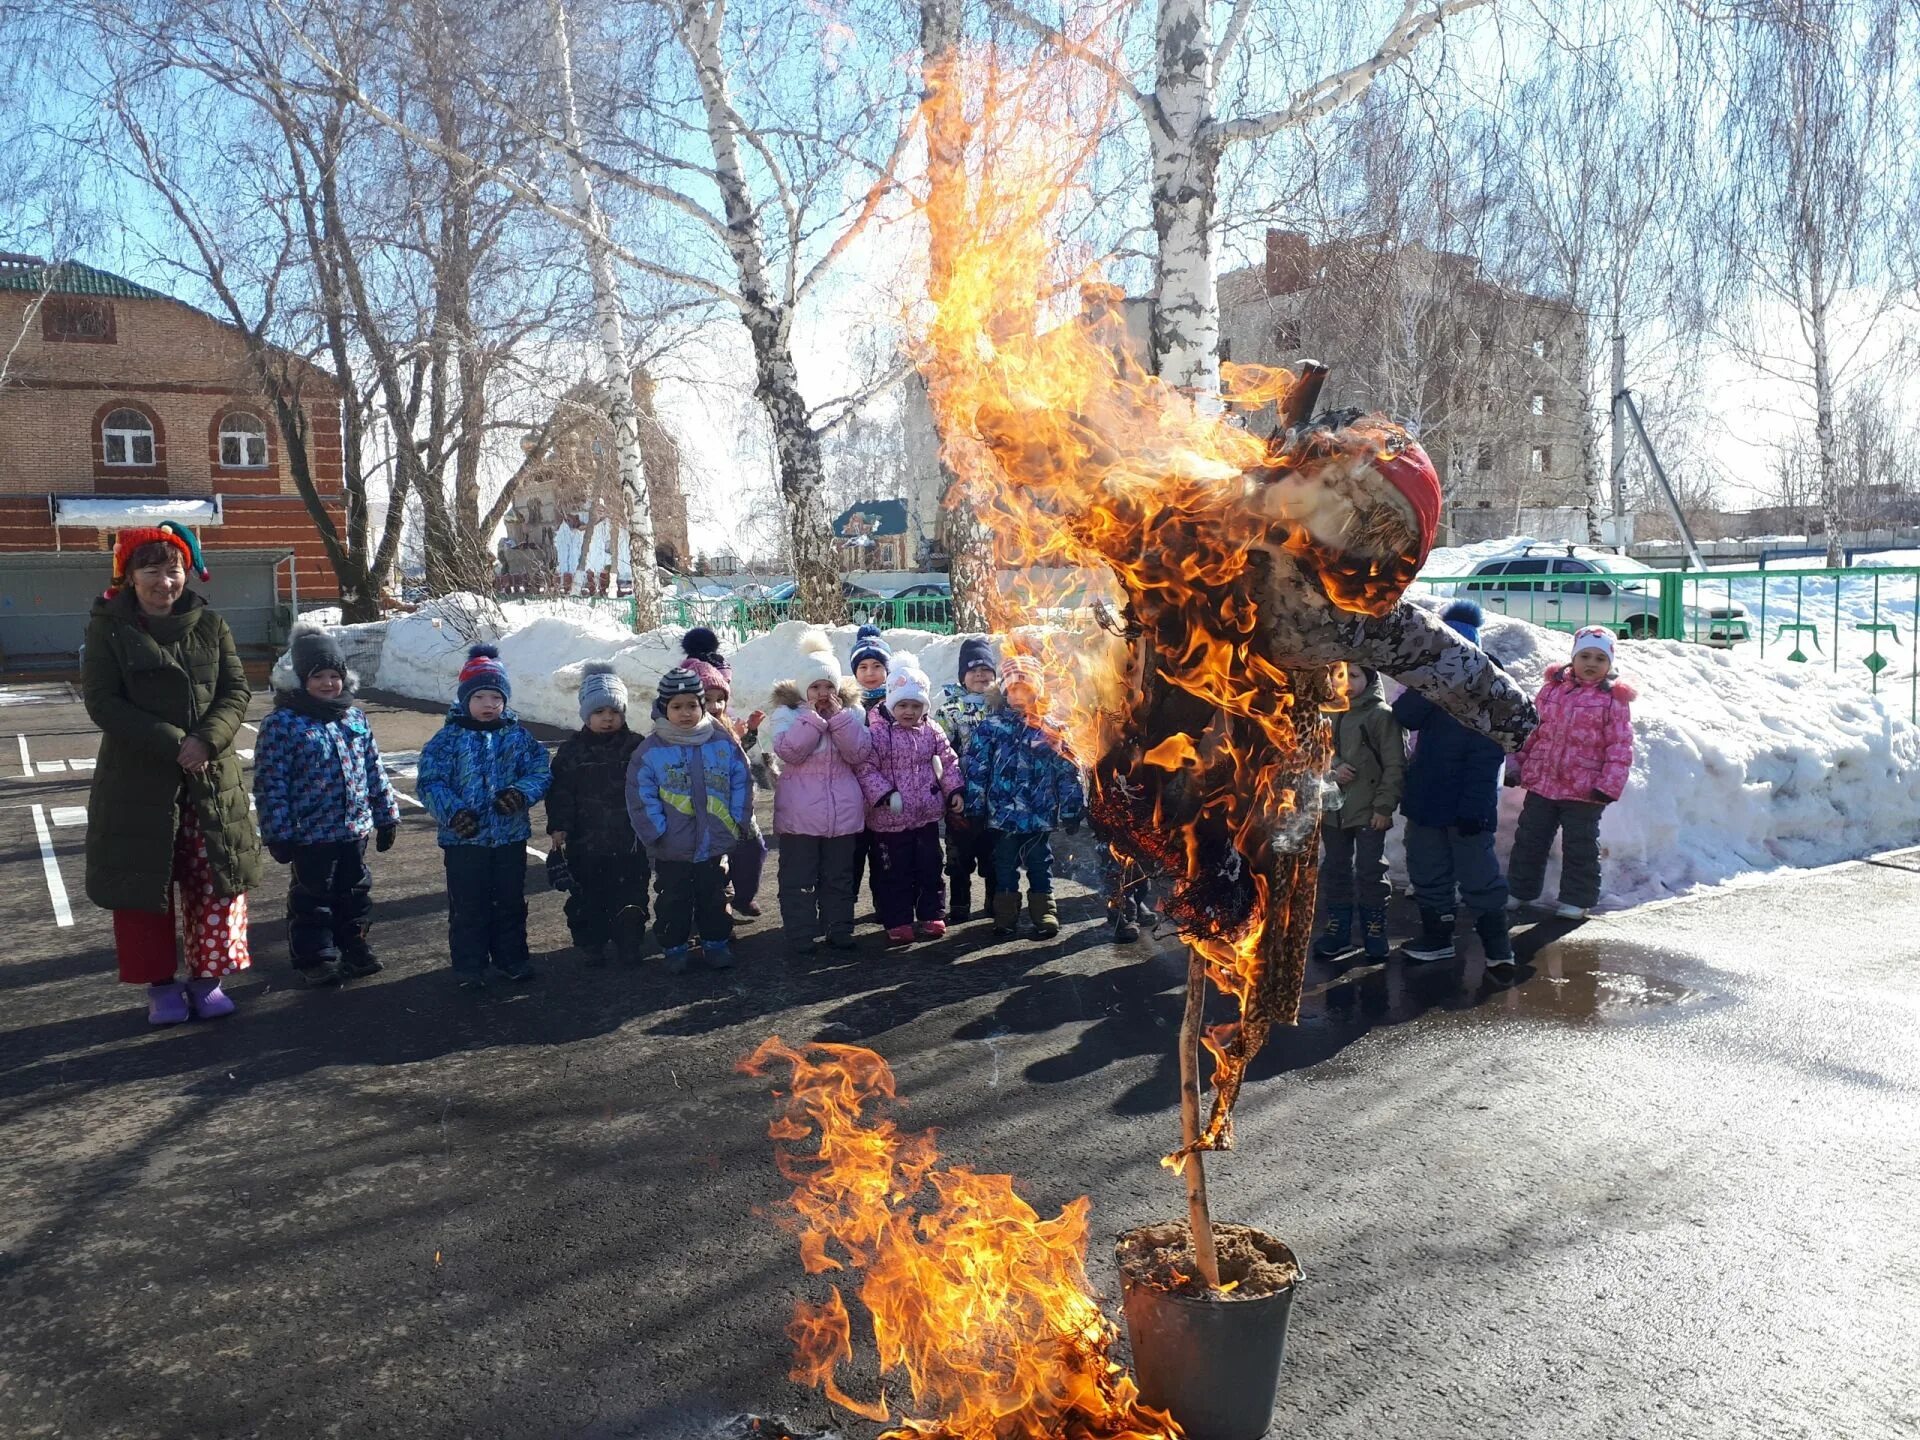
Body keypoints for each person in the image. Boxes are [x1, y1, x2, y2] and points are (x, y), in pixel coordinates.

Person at [81, 522, 262, 1025]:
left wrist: (205, 739)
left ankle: (208, 981)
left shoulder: (211, 625)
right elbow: (101, 701)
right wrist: (172, 741)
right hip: (138, 781)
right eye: (152, 570)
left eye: (174, 569)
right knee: (145, 885)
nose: (165, 581)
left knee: (214, 880)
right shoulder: (108, 627)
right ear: (129, 576)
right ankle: (159, 985)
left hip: (209, 776)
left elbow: (236, 691)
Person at [253, 628, 401, 987]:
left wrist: (386, 815)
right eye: (318, 676)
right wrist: (278, 832)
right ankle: (316, 955)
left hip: (353, 827)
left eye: (334, 675)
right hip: (310, 831)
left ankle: (354, 945)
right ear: (300, 679)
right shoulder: (283, 724)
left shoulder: (353, 718)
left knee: (354, 891)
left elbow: (373, 769)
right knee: (313, 895)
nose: (328, 683)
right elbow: (271, 782)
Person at [1391, 601, 1514, 978]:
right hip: (1427, 795)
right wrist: (1431, 679)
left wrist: (1476, 808)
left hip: (1468, 806)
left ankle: (1498, 947)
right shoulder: (1431, 683)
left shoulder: (1491, 692)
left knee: (1478, 874)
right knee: (1427, 869)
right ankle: (1437, 938)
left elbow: (1488, 757)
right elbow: (1404, 716)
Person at [417, 644, 552, 989]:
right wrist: (454, 814)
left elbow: (540, 770)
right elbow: (431, 782)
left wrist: (520, 794)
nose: (489, 704)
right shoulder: (447, 739)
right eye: (480, 697)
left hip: (509, 836)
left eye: (496, 697)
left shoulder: (518, 737)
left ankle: (512, 958)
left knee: (509, 900)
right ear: (465, 700)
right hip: (464, 840)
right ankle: (469, 965)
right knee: (468, 904)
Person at [628, 667, 753, 974]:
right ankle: (674, 947)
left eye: (692, 705)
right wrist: (656, 831)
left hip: (713, 842)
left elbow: (741, 782)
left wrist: (738, 820)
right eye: (676, 706)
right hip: (672, 844)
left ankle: (715, 944)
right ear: (664, 709)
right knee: (673, 900)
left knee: (714, 896)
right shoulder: (651, 750)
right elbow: (641, 795)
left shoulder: (722, 743)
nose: (685, 713)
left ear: (701, 706)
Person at [1506, 626, 1636, 919]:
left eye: (1600, 659)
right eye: (1585, 655)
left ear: (1610, 664)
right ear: (1573, 658)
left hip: (1585, 789)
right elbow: (1533, 732)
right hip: (1542, 781)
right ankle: (1519, 890)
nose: (1591, 663)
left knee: (1580, 846)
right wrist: (1518, 765)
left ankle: (1577, 900)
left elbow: (1620, 746)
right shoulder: (1551, 690)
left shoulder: (1613, 700)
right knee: (1530, 839)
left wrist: (1608, 785)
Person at [963, 654, 1086, 940]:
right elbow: (978, 769)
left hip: (1038, 814)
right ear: (1004, 691)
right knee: (1004, 865)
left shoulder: (1051, 728)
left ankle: (1044, 911)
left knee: (1040, 863)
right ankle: (1005, 914)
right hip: (1003, 815)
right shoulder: (991, 728)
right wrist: (975, 807)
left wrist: (1071, 808)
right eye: (1014, 688)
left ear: (1037, 691)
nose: (1020, 695)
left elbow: (1067, 771)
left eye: (1027, 689)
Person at [770, 631, 872, 954]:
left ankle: (838, 928)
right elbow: (790, 752)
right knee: (798, 879)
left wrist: (839, 719)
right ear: (803, 689)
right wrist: (813, 721)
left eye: (829, 686)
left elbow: (859, 753)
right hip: (800, 816)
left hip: (842, 816)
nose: (823, 693)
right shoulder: (788, 716)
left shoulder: (852, 714)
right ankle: (800, 933)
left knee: (838, 878)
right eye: (815, 687)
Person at [544, 662, 649, 966]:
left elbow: (651, 785)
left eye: (614, 712)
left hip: (630, 840)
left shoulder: (637, 747)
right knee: (587, 896)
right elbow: (560, 791)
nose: (607, 719)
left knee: (631, 895)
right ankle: (592, 943)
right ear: (585, 715)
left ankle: (629, 942)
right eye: (599, 713)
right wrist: (559, 826)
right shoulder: (572, 752)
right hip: (585, 842)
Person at [859, 653, 965, 945]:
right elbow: (865, 768)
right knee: (895, 873)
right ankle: (898, 920)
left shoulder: (931, 729)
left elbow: (948, 759)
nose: (909, 711)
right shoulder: (877, 733)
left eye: (915, 705)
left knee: (930, 866)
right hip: (888, 819)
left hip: (926, 815)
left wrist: (953, 789)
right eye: (902, 705)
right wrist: (884, 794)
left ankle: (931, 914)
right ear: (892, 703)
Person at [1314, 662, 1406, 961]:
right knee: (1335, 868)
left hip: (1368, 809)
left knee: (1370, 870)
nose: (1346, 682)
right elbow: (1314, 751)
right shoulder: (1325, 711)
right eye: (1339, 675)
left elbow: (1396, 765)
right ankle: (1337, 928)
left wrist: (1384, 806)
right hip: (1333, 808)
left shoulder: (1381, 715)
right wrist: (1334, 766)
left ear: (1369, 678)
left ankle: (1374, 927)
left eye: (1354, 676)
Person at [679, 629, 768, 919]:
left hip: (737, 805)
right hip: (704, 808)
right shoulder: (684, 731)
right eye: (709, 699)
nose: (716, 706)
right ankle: (715, 914)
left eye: (721, 698)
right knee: (710, 864)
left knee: (753, 850)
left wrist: (749, 733)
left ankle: (743, 896)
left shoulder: (725, 722)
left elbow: (739, 754)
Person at [935, 636, 1000, 922]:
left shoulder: (1002, 708)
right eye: (973, 670)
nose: (980, 675)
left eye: (986, 669)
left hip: (997, 798)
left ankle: (996, 902)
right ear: (963, 676)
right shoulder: (949, 711)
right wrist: (949, 789)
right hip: (961, 797)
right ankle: (960, 904)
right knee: (959, 858)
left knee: (994, 856)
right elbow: (940, 752)